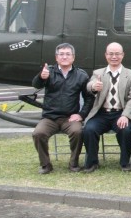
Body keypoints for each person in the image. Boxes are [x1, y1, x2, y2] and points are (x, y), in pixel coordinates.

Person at [32, 43, 93, 174]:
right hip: (50, 117)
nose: (64, 57)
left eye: (67, 54)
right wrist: (41, 77)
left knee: (78, 132)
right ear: (56, 57)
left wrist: (81, 115)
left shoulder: (81, 75)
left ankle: (73, 163)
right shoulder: (48, 71)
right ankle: (46, 165)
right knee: (38, 133)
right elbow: (36, 84)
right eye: (61, 54)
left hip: (70, 118)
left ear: (73, 57)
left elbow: (89, 98)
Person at [82, 42, 131, 173]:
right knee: (89, 129)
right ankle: (92, 163)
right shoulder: (98, 73)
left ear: (122, 55)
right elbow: (89, 87)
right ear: (106, 55)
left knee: (125, 130)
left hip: (120, 112)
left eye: (117, 54)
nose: (114, 56)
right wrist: (93, 87)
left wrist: (125, 115)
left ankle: (125, 162)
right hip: (101, 114)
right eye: (111, 54)